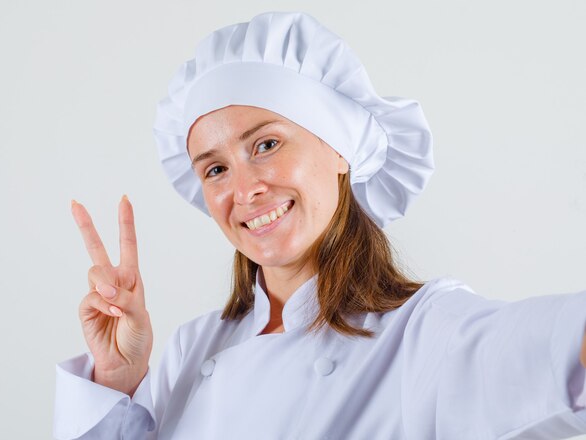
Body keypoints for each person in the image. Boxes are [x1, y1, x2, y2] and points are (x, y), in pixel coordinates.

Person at [54, 11, 586, 440]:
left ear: (340, 152)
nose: (244, 191)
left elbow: (561, 353)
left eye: (266, 144)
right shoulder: (192, 346)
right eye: (215, 168)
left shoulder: (422, 333)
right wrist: (118, 382)